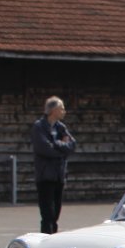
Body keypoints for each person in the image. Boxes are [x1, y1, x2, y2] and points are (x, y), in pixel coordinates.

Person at [29, 96, 75, 234]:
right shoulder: (39, 126)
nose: (64, 111)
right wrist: (61, 149)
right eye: (62, 108)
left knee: (55, 214)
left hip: (59, 175)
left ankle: (53, 238)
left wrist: (57, 144)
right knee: (47, 214)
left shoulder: (60, 127)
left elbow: (72, 145)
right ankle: (45, 239)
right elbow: (45, 149)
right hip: (45, 176)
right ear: (53, 110)